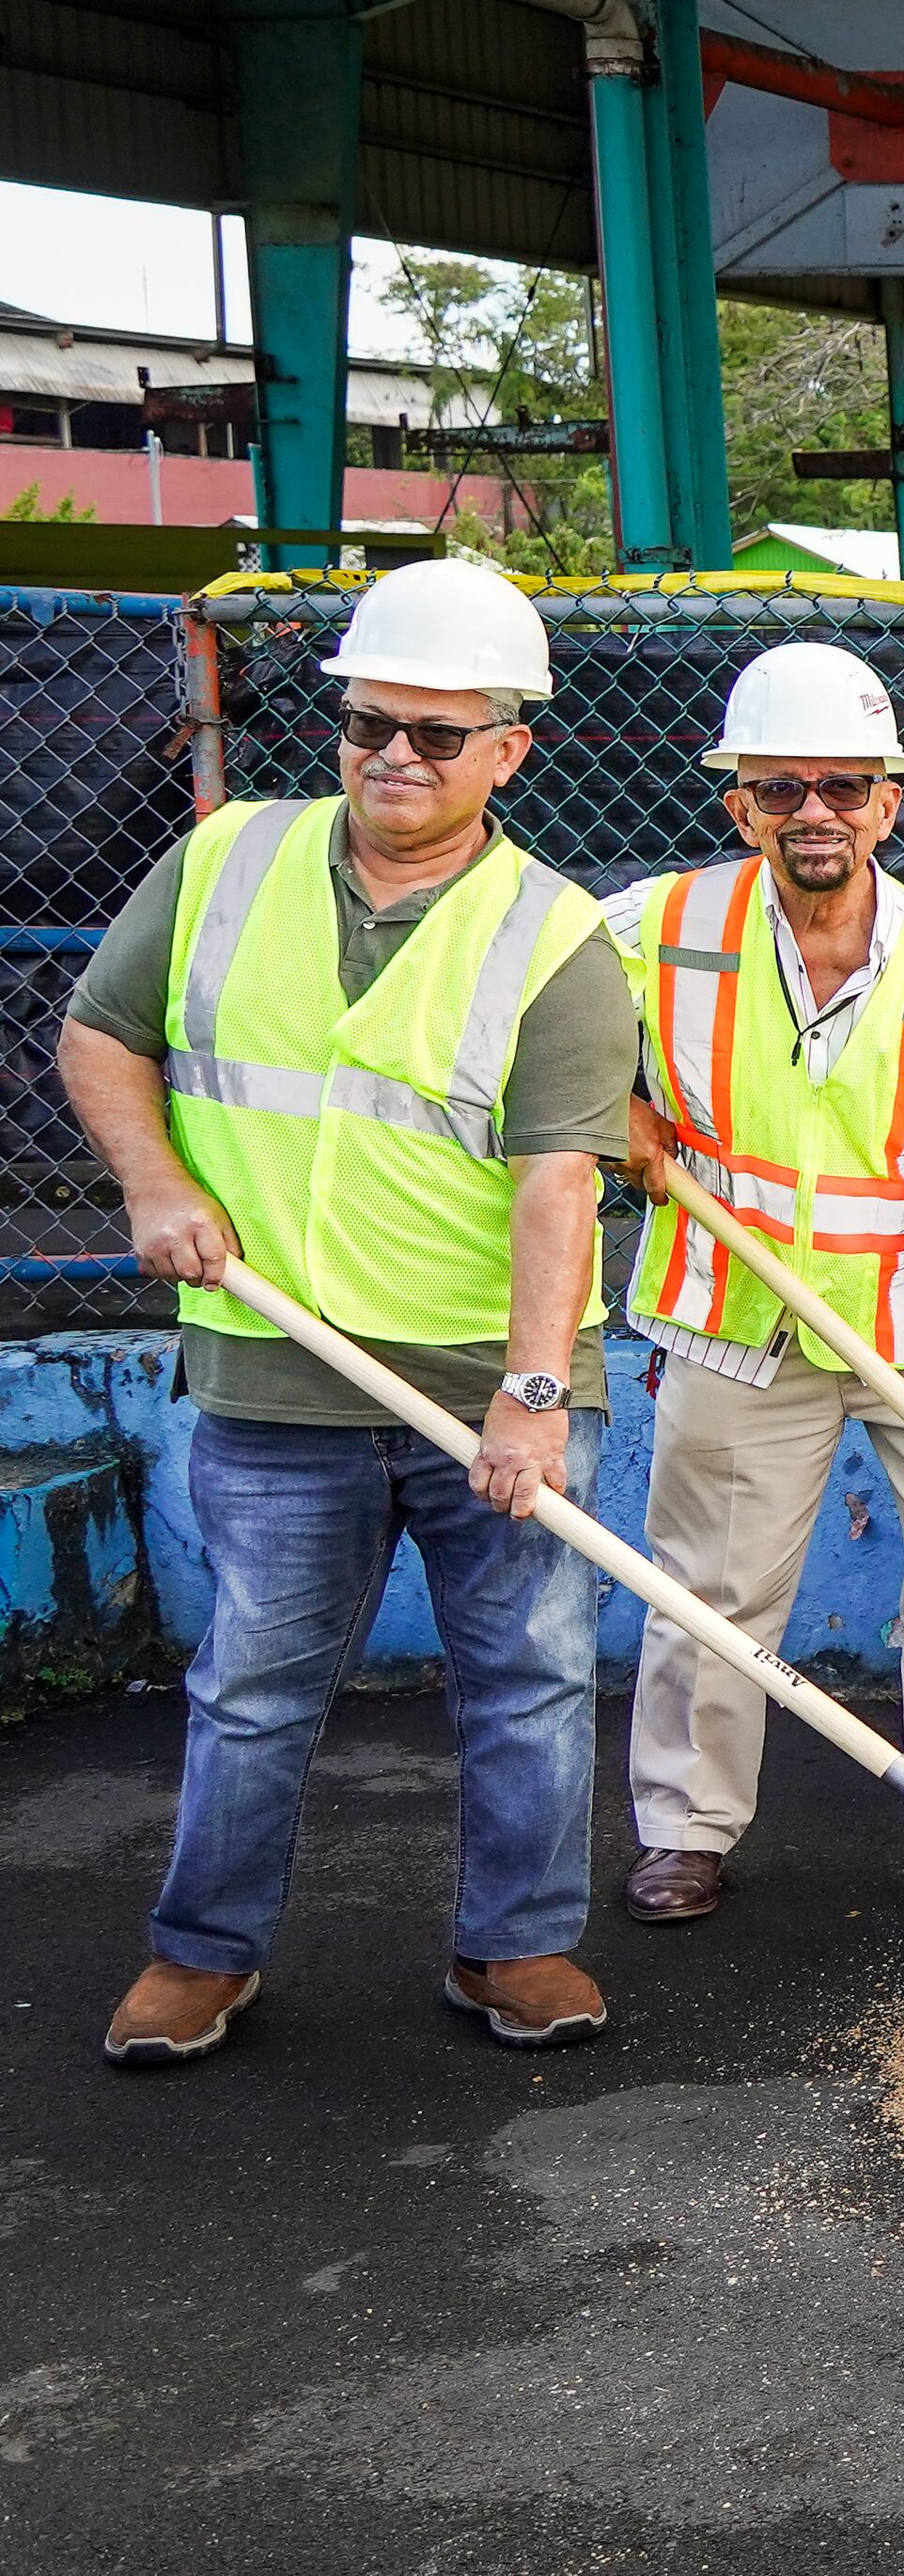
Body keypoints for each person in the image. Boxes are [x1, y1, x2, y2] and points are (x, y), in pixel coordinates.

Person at [67, 559, 632, 2063]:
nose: (395, 754)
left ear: (509, 749)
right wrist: (153, 1183)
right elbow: (101, 1037)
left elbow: (557, 1187)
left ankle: (517, 1948)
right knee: (253, 1689)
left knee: (529, 1684)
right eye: (369, 722)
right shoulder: (224, 861)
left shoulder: (557, 934)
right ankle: (202, 1955)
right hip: (273, 1373)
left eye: (439, 734)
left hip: (482, 1381)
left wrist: (531, 1393)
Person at [608, 644, 904, 1933]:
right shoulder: (656, 926)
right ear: (739, 803)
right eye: (781, 788)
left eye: (844, 786)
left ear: (887, 805)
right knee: (712, 1588)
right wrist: (607, 1102)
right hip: (735, 1314)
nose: (815, 813)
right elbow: (520, 1009)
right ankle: (685, 1828)